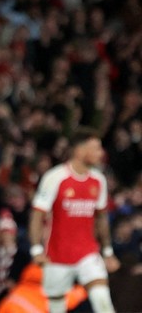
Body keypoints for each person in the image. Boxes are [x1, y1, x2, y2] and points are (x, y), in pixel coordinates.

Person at [28, 127, 120, 313]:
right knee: (56, 308)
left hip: (88, 253)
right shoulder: (55, 178)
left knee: (103, 304)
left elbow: (101, 218)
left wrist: (108, 251)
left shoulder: (98, 180)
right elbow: (37, 215)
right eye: (95, 148)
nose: (100, 153)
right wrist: (36, 249)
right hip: (56, 255)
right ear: (79, 150)